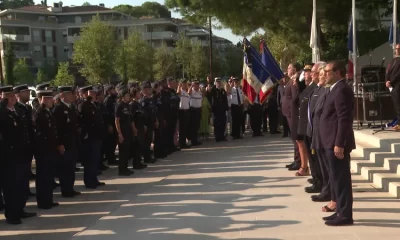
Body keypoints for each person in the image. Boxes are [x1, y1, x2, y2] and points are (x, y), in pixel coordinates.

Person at [320, 60, 355, 226]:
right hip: (330, 141)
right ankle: (340, 211)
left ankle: (345, 215)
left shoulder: (341, 90)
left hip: (336, 143)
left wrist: (339, 143)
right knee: (335, 179)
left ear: (338, 73)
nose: (324, 74)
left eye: (327, 72)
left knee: (341, 180)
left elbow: (344, 118)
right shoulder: (334, 89)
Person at [0, 86, 37, 225]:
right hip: (8, 157)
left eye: (12, 96)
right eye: (8, 97)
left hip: (21, 154)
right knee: (10, 187)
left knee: (21, 184)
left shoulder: (16, 110)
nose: (12, 99)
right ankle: (12, 214)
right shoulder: (2, 112)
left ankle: (20, 209)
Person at [32, 90, 59, 209]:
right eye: (50, 99)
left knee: (49, 176)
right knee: (43, 177)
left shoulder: (48, 112)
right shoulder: (39, 113)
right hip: (43, 150)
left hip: (50, 149)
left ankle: (48, 199)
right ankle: (43, 201)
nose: (52, 101)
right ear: (43, 99)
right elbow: (38, 133)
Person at [53, 86, 81, 198]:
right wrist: (59, 143)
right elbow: (57, 129)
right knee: (65, 168)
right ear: (62, 96)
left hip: (72, 142)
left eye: (71, 93)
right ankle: (66, 190)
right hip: (64, 144)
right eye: (68, 94)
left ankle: (70, 188)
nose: (71, 95)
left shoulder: (70, 107)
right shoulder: (58, 109)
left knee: (71, 167)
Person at [78, 86, 106, 189]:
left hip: (96, 136)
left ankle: (94, 179)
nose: (94, 95)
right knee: (89, 160)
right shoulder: (83, 105)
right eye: (91, 93)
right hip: (89, 137)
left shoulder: (94, 104)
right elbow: (84, 120)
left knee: (95, 159)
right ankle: (89, 181)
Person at [13, 85, 36, 198]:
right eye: (25, 92)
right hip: (20, 145)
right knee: (21, 172)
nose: (28, 94)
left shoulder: (28, 108)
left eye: (28, 91)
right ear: (17, 94)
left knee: (26, 169)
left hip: (29, 143)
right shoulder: (16, 108)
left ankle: (26, 190)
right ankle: (23, 191)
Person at [115, 87, 136, 176]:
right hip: (122, 131)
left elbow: (130, 119)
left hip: (128, 130)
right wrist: (119, 133)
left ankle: (125, 168)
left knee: (127, 150)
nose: (128, 97)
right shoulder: (119, 105)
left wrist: (134, 128)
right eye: (126, 95)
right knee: (123, 151)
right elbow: (117, 120)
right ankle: (122, 169)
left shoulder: (128, 105)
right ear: (122, 97)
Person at [138, 81, 158, 164]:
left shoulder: (151, 99)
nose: (150, 90)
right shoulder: (143, 101)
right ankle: (146, 158)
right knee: (146, 141)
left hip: (151, 122)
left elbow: (154, 110)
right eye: (148, 89)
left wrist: (156, 120)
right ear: (144, 90)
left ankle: (148, 156)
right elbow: (142, 114)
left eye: (150, 89)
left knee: (149, 140)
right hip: (146, 123)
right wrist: (144, 124)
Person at [385, 43, 400, 130]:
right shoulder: (393, 60)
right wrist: (386, 80)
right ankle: (397, 122)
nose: (397, 50)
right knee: (395, 105)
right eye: (396, 49)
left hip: (397, 85)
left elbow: (398, 74)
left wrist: (391, 81)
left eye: (399, 49)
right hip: (392, 87)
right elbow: (388, 71)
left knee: (399, 105)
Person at [102, 84, 118, 166]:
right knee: (110, 142)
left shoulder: (113, 99)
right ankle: (110, 159)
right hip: (110, 123)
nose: (114, 91)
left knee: (114, 141)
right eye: (112, 90)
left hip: (113, 122)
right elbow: (106, 114)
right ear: (108, 91)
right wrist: (109, 125)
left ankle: (112, 157)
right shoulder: (108, 100)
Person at [210, 77, 229, 142]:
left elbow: (225, 100)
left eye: (219, 82)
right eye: (217, 82)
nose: (219, 83)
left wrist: (226, 108)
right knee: (217, 123)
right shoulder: (214, 90)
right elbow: (210, 94)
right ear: (215, 83)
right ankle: (217, 137)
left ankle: (222, 136)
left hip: (222, 110)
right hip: (216, 110)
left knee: (222, 123)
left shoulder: (223, 90)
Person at [188, 80, 203, 146]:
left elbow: (201, 99)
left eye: (197, 84)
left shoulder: (199, 92)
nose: (197, 85)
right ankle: (193, 141)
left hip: (198, 110)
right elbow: (188, 92)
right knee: (193, 126)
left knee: (197, 126)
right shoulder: (192, 91)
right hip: (193, 110)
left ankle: (195, 140)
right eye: (195, 84)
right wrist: (191, 85)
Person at [177, 79, 190, 148]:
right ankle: (181, 143)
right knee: (182, 128)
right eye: (183, 83)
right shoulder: (180, 91)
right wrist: (179, 85)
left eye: (185, 83)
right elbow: (178, 93)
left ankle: (183, 142)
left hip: (186, 111)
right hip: (182, 111)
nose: (185, 84)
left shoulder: (186, 92)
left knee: (185, 128)